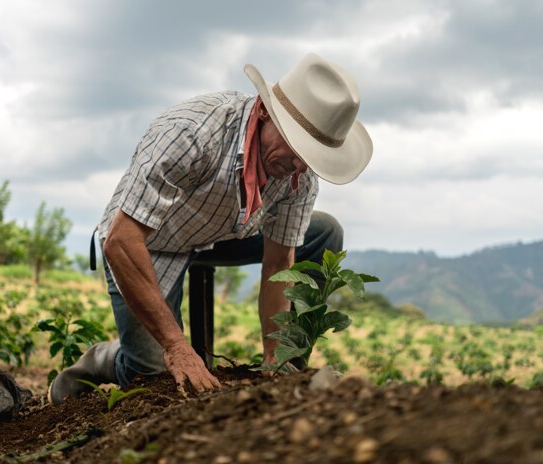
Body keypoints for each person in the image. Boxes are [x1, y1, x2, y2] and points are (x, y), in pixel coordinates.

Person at [49, 53, 373, 403]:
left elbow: (280, 264)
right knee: (154, 374)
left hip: (222, 233)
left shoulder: (298, 174)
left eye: (310, 157)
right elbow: (121, 240)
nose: (299, 166)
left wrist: (275, 358)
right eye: (296, 148)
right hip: (150, 240)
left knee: (325, 232)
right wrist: (176, 345)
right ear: (265, 112)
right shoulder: (191, 133)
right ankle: (104, 359)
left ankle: (290, 365)